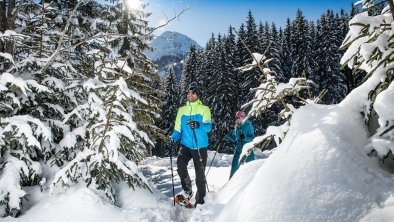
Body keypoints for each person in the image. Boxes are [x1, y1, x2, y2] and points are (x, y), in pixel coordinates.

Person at [170, 85, 212, 206]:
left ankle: (201, 199)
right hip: (186, 145)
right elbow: (178, 130)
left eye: (193, 93)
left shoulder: (204, 109)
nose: (190, 95)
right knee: (180, 166)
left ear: (197, 95)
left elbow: (208, 127)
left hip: (200, 146)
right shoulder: (181, 110)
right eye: (188, 93)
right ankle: (187, 190)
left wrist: (198, 125)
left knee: (200, 174)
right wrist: (173, 138)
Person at [226, 111, 255, 179]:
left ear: (243, 118)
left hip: (247, 149)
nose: (236, 119)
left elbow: (252, 139)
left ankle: (253, 181)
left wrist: (245, 138)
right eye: (236, 117)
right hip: (239, 149)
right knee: (234, 166)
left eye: (238, 117)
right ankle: (231, 183)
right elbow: (236, 139)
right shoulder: (237, 126)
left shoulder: (248, 125)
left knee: (250, 166)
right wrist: (227, 134)